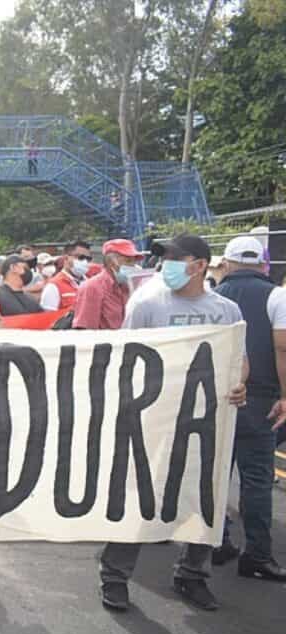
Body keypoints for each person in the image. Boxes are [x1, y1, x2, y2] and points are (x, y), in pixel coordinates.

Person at [99, 234, 248, 612]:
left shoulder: (226, 311)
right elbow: (125, 358)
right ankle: (115, 577)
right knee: (139, 495)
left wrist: (239, 385)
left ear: (199, 265)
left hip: (207, 422)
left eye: (175, 259)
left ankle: (192, 575)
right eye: (164, 259)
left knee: (204, 496)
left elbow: (239, 361)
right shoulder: (146, 304)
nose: (166, 266)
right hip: (154, 420)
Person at [211, 236, 286, 581]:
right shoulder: (277, 296)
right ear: (264, 264)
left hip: (218, 397)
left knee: (215, 475)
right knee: (256, 479)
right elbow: (282, 348)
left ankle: (215, 542)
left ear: (227, 263)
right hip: (260, 398)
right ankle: (256, 555)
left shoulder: (213, 295)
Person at [72, 239, 143, 330]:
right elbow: (86, 330)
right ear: (110, 262)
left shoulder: (131, 286)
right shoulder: (92, 288)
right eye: (128, 261)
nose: (133, 266)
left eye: (134, 262)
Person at [40, 240, 92, 312]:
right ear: (66, 258)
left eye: (88, 259)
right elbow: (48, 316)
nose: (85, 262)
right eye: (81, 257)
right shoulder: (54, 286)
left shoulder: (90, 284)